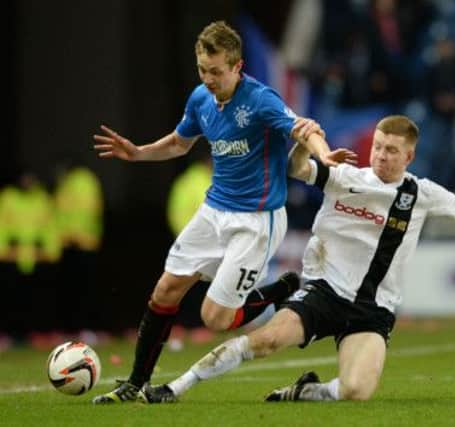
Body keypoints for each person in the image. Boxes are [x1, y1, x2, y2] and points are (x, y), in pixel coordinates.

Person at [139, 115, 455, 404]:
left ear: (409, 156)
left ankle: (304, 392)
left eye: (392, 151)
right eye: (379, 146)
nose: (382, 155)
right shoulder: (345, 174)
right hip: (324, 292)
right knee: (268, 341)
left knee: (356, 391)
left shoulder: (422, 194)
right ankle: (177, 387)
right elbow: (296, 170)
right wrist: (302, 145)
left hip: (373, 309)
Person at [91, 21, 353, 404]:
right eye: (202, 69)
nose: (208, 78)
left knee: (215, 319)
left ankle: (283, 289)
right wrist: (139, 152)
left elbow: (303, 128)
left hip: (256, 221)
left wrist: (323, 154)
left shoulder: (260, 99)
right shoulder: (200, 98)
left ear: (237, 66)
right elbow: (180, 144)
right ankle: (134, 384)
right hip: (214, 211)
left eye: (216, 71)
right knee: (166, 289)